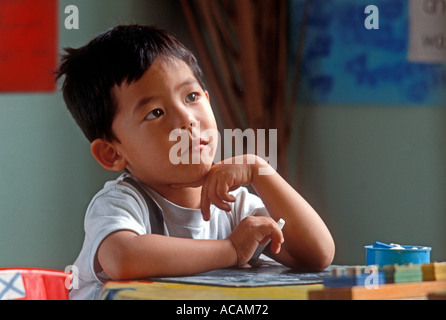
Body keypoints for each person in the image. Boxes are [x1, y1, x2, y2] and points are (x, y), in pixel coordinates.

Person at [56, 25, 334, 300]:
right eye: (155, 113)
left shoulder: (233, 205)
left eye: (191, 97)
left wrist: (259, 170)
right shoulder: (123, 202)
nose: (186, 119)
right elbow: (122, 257)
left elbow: (316, 255)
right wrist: (231, 250)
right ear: (112, 153)